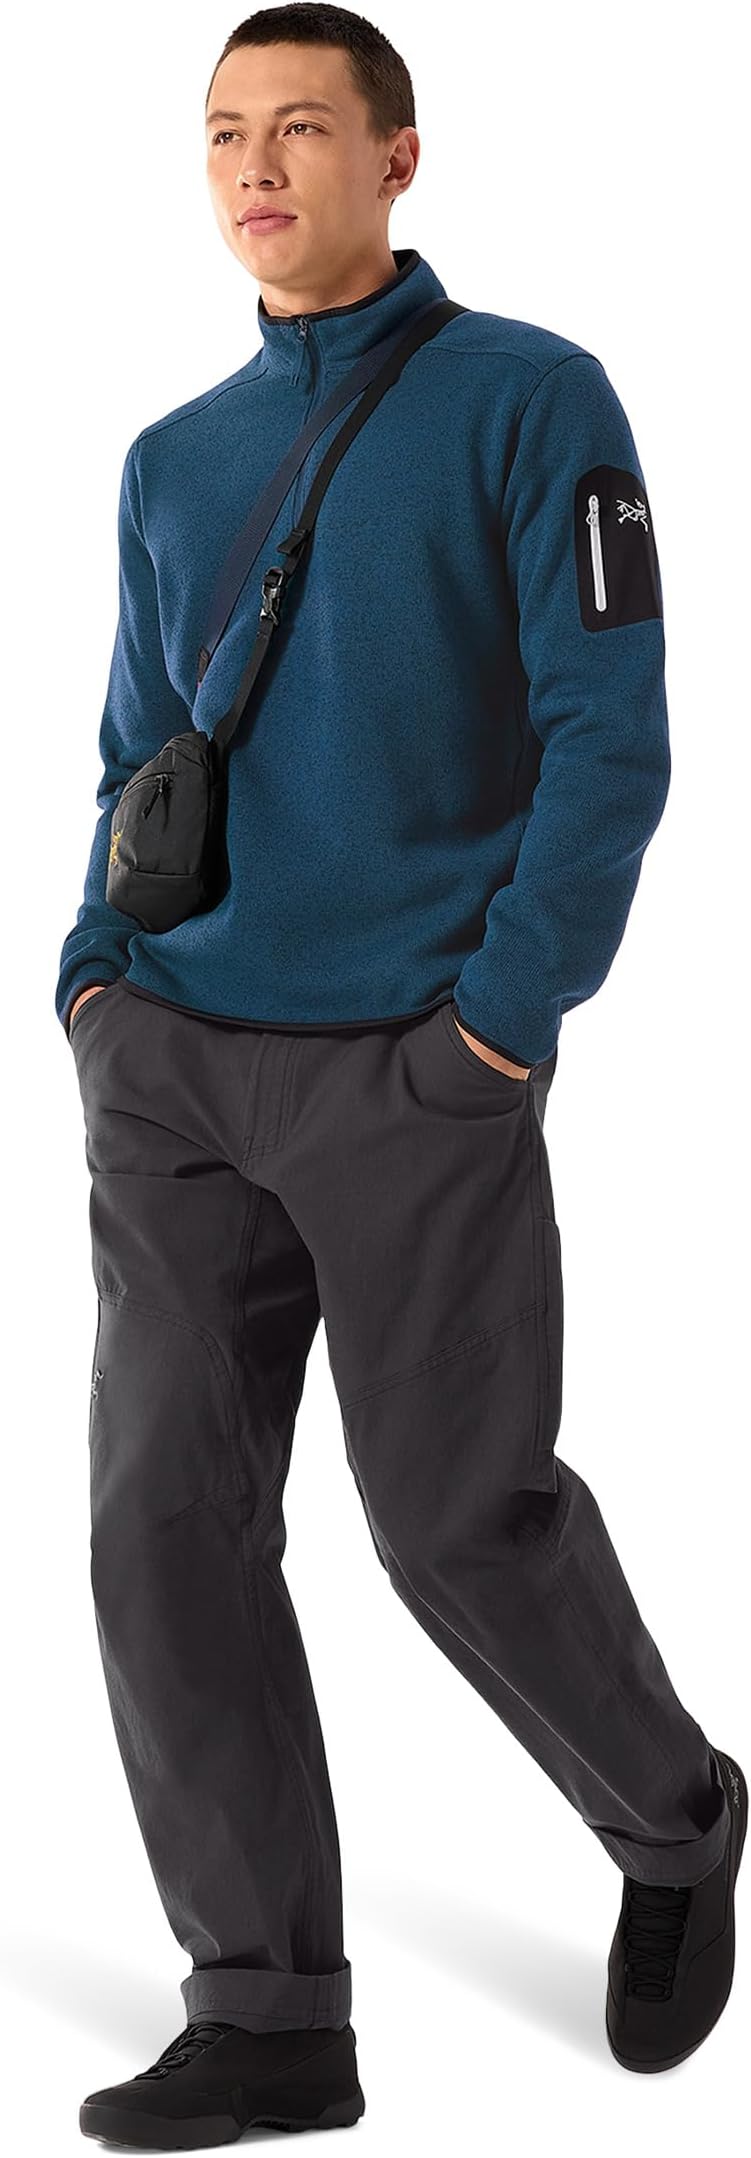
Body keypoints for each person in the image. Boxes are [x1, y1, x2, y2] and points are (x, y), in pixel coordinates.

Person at [60, 7, 745, 2146]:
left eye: (299, 128)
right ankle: (269, 2011)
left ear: (398, 157)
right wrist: (95, 981)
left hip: (414, 1071)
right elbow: (133, 752)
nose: (255, 168)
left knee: (457, 1523)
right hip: (177, 1067)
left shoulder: (533, 399)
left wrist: (498, 1022)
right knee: (163, 1536)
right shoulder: (170, 454)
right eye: (221, 137)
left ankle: (678, 1816)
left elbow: (610, 737)